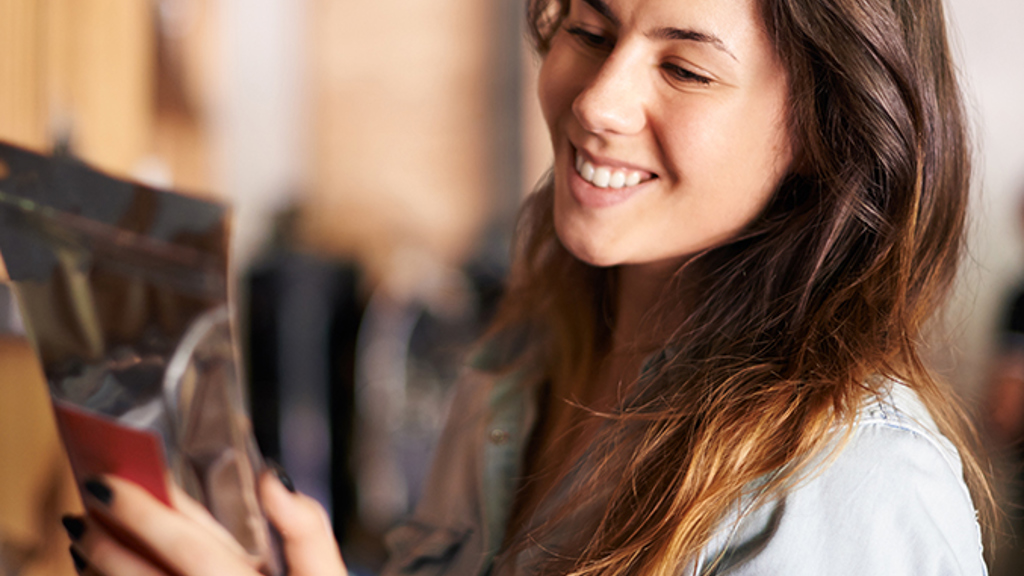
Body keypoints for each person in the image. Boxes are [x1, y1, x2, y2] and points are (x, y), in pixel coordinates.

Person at [64, 0, 994, 573]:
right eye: (589, 28)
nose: (596, 100)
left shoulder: (853, 485)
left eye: (684, 67)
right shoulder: (519, 360)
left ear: (829, 128)